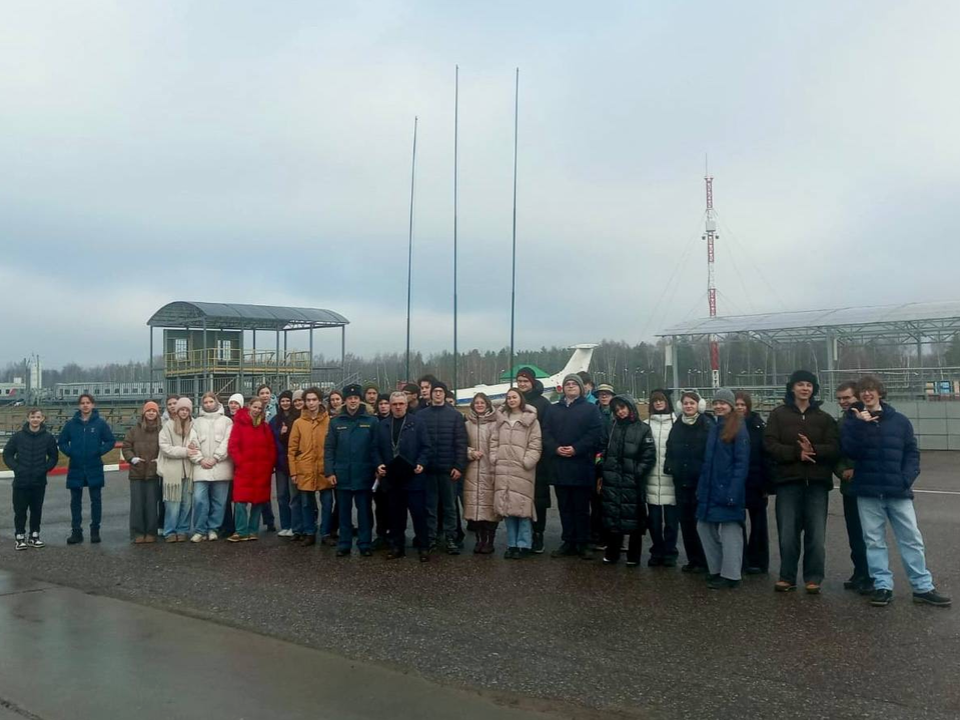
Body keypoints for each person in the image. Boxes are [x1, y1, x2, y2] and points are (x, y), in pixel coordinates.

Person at [841, 376, 950, 608]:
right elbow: (851, 450)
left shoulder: (900, 421)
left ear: (880, 393)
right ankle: (883, 586)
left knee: (911, 539)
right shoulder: (852, 422)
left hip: (897, 490)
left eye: (871, 390)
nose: (867, 394)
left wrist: (906, 478)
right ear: (859, 396)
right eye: (863, 391)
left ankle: (922, 587)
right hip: (868, 491)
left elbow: (911, 452)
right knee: (874, 541)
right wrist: (861, 424)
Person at [764, 370, 839, 594]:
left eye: (809, 385)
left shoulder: (824, 418)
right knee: (787, 532)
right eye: (800, 384)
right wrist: (797, 453)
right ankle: (787, 576)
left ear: (814, 389)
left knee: (816, 535)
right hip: (788, 482)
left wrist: (813, 450)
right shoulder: (778, 415)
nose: (805, 388)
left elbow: (835, 447)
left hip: (816, 483)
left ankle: (813, 577)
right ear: (792, 388)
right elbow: (769, 444)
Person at [545, 374, 604, 559]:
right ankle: (568, 541)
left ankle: (583, 542)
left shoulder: (590, 409)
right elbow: (545, 432)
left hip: (581, 465)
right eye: (567, 384)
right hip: (560, 465)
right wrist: (555, 448)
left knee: (581, 508)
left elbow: (595, 434)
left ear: (581, 388)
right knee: (565, 507)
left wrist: (576, 449)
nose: (570, 386)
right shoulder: (553, 410)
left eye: (574, 384)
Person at [697, 389, 750, 590]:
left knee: (730, 534)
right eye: (716, 403)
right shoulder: (714, 427)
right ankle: (716, 569)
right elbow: (708, 462)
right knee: (704, 527)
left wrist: (733, 492)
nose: (719, 406)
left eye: (723, 403)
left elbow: (741, 463)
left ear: (730, 406)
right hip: (711, 488)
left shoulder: (739, 428)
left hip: (727, 489)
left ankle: (732, 575)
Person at [374, 391, 432, 561]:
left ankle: (423, 547)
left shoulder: (418, 423)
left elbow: (426, 447)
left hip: (413, 475)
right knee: (395, 515)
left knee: (418, 514)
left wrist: (422, 462)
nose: (398, 407)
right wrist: (378, 465)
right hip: (392, 478)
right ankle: (397, 546)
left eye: (401, 404)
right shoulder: (382, 425)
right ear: (390, 406)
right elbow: (374, 448)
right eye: (394, 404)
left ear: (406, 405)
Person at [600, 394, 655, 566]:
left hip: (632, 482)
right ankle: (612, 552)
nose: (620, 412)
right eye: (617, 410)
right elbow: (601, 450)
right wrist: (602, 467)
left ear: (630, 407)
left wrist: (637, 473)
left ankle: (634, 556)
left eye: (623, 408)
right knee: (613, 517)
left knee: (634, 520)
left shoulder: (643, 429)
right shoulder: (612, 427)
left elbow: (648, 456)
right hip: (612, 480)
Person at [324, 384, 379, 557]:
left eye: (356, 398)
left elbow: (376, 447)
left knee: (364, 512)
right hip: (342, 475)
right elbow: (329, 449)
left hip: (364, 474)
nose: (353, 401)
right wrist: (330, 472)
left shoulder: (371, 421)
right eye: (349, 398)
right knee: (344, 513)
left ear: (360, 399)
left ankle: (364, 543)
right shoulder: (336, 422)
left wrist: (377, 468)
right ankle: (344, 543)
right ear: (345, 401)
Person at [58, 394, 116, 545]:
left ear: (93, 405)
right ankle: (76, 532)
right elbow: (62, 442)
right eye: (82, 403)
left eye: (88, 403)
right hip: (76, 467)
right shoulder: (71, 424)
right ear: (79, 406)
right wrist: (71, 452)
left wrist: (99, 451)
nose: (85, 405)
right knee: (75, 501)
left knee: (95, 500)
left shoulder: (100, 424)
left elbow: (110, 441)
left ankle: (95, 530)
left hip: (94, 466)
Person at [419, 381, 468, 554]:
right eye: (435, 391)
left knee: (450, 507)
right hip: (429, 470)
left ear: (445, 394)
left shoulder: (455, 416)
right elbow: (419, 442)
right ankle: (431, 538)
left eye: (441, 391)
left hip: (449, 470)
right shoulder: (422, 415)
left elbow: (461, 443)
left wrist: (459, 466)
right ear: (430, 394)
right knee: (430, 507)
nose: (438, 394)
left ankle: (450, 538)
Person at [664, 391, 711, 572]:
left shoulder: (706, 424)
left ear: (699, 405)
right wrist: (671, 466)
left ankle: (705, 560)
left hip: (699, 481)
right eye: (685, 403)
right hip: (681, 481)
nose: (688, 406)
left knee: (700, 522)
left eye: (692, 403)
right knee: (686, 523)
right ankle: (693, 559)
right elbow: (670, 448)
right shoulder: (677, 425)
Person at [494, 388, 542, 559]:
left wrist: (527, 461)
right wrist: (495, 458)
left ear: (520, 399)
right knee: (507, 507)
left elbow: (535, 444)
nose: (511, 400)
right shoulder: (500, 419)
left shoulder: (531, 420)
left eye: (514, 397)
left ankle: (524, 544)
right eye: (508, 397)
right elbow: (493, 440)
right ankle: (512, 544)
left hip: (522, 470)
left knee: (522, 508)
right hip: (503, 469)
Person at [834, 381, 872, 594]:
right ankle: (859, 571)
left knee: (871, 534)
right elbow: (836, 453)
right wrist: (842, 471)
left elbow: (875, 448)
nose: (843, 402)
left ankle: (871, 575)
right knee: (855, 532)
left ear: (857, 396)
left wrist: (859, 469)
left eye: (846, 398)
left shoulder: (871, 417)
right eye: (839, 398)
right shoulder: (840, 423)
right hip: (849, 487)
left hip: (869, 485)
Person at [4, 408, 59, 550]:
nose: (35, 419)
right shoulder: (18, 437)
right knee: (20, 511)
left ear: (43, 419)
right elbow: (7, 454)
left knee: (36, 510)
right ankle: (20, 536)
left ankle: (34, 535)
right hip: (20, 482)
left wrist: (44, 469)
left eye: (38, 417)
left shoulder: (48, 438)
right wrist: (17, 468)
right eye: (32, 416)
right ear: (28, 418)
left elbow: (53, 457)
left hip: (38, 481)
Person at [227, 397, 276, 542]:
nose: (257, 410)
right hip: (245, 468)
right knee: (240, 501)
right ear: (249, 407)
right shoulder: (239, 424)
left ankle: (253, 530)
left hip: (262, 469)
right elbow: (233, 446)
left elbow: (271, 447)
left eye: (260, 408)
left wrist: (269, 464)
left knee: (258, 501)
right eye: (255, 407)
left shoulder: (264, 426)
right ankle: (241, 530)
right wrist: (240, 462)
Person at [516, 367, 554, 554]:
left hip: (539, 459)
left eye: (525, 381)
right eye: (520, 381)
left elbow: (547, 430)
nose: (522, 384)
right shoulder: (515, 402)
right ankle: (524, 534)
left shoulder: (543, 404)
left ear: (532, 382)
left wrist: (537, 453)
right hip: (517, 459)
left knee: (539, 498)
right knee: (522, 497)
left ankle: (538, 533)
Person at [287, 387, 331, 546]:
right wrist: (294, 472)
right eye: (308, 400)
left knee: (327, 503)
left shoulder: (329, 420)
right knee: (306, 504)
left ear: (319, 400)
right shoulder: (298, 423)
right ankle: (309, 532)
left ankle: (326, 533)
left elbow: (333, 447)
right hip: (304, 469)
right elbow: (291, 450)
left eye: (314, 399)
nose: (311, 403)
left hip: (324, 468)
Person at [735, 391, 772, 575]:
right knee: (736, 523)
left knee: (758, 524)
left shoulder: (758, 426)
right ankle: (740, 559)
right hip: (737, 483)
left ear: (748, 407)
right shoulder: (728, 426)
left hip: (756, 481)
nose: (740, 408)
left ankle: (758, 560)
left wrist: (766, 485)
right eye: (737, 404)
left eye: (743, 405)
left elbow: (766, 456)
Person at [191, 391, 233, 543]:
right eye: (206, 402)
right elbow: (192, 442)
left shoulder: (227, 421)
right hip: (201, 467)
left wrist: (216, 457)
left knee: (219, 501)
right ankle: (199, 530)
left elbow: (228, 442)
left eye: (211, 401)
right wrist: (200, 459)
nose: (208, 404)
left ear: (216, 402)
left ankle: (213, 528)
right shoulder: (196, 422)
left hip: (221, 466)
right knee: (199, 498)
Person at [157, 397, 199, 542]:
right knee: (172, 503)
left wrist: (193, 447)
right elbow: (165, 448)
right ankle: (169, 531)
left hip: (188, 470)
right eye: (182, 409)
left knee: (186, 503)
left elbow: (196, 444)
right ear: (177, 410)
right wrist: (185, 451)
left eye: (187, 410)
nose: (184, 412)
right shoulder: (167, 426)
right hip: (172, 471)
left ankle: (182, 529)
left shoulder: (193, 426)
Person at [121, 401, 162, 544]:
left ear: (157, 413)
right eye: (148, 410)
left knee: (151, 503)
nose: (151, 413)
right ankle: (137, 532)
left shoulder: (162, 430)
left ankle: (151, 532)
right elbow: (126, 447)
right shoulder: (134, 430)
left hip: (154, 472)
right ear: (144, 413)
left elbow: (166, 446)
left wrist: (160, 459)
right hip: (137, 472)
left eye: (154, 411)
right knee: (137, 504)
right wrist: (132, 459)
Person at [464, 392, 500, 554]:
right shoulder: (467, 425)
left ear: (487, 404)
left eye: (482, 402)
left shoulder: (496, 424)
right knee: (475, 508)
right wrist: (470, 453)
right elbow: (459, 445)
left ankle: (490, 541)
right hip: (472, 470)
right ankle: (479, 540)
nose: (479, 405)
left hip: (490, 470)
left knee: (490, 508)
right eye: (476, 403)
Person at [646, 389, 678, 567]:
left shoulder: (676, 423)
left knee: (672, 521)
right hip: (651, 480)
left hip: (671, 480)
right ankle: (657, 549)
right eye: (655, 401)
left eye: (661, 400)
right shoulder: (645, 425)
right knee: (654, 521)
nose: (658, 403)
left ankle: (670, 551)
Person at [590, 383, 616, 548]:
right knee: (596, 501)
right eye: (601, 394)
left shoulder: (618, 413)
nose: (604, 396)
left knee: (612, 501)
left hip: (614, 462)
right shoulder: (593, 412)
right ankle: (597, 534)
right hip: (595, 461)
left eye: (607, 394)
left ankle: (614, 536)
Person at [269, 390, 296, 537]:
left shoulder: (296, 418)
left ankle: (294, 524)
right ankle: (285, 525)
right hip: (280, 462)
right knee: (281, 495)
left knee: (294, 496)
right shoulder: (275, 420)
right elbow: (272, 439)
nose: (285, 403)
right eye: (283, 401)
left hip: (292, 462)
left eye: (287, 400)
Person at [218, 393, 245, 537]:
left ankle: (238, 525)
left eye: (236, 403)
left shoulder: (244, 420)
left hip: (239, 463)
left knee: (239, 496)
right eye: (231, 403)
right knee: (226, 496)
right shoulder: (225, 420)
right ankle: (226, 525)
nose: (233, 405)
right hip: (227, 462)